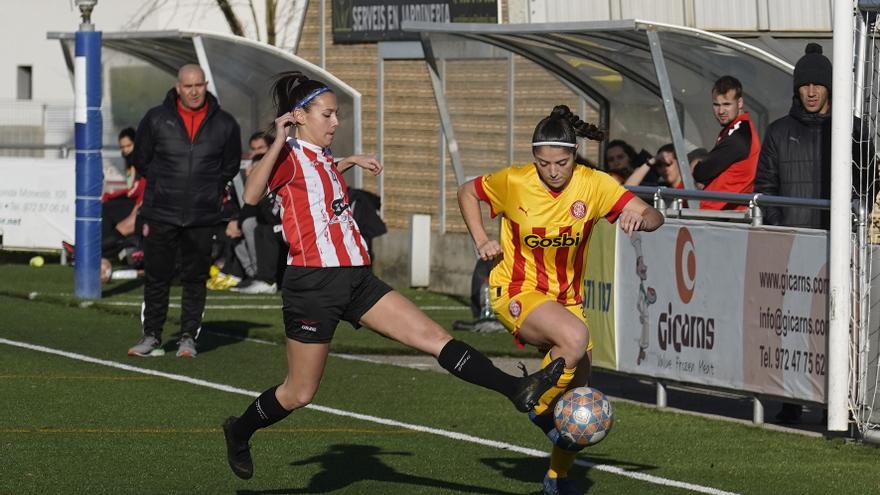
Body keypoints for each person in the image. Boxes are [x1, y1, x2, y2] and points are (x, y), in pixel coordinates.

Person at [220, 71, 566, 480]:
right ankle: (240, 430)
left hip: (357, 280)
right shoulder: (288, 155)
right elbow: (252, 194)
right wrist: (278, 137)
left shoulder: (322, 157)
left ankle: (516, 389)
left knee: (436, 339)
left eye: (336, 115)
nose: (335, 122)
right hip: (312, 286)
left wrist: (349, 162)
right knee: (299, 393)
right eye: (327, 115)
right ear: (299, 116)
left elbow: (318, 183)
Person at [457, 105, 664, 495]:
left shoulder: (594, 184)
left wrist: (643, 219)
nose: (552, 171)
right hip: (514, 290)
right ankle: (535, 404)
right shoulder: (514, 181)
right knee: (574, 338)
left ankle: (557, 479)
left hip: (566, 300)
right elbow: (467, 191)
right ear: (533, 158)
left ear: (574, 155)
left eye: (562, 162)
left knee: (579, 398)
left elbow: (654, 215)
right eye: (543, 163)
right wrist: (481, 238)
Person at [754, 43, 875, 424]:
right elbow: (765, 188)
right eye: (804, 84)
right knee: (792, 329)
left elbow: (870, 181)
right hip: (793, 248)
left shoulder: (852, 129)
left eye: (817, 85)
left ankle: (839, 406)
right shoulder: (778, 131)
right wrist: (778, 230)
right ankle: (790, 401)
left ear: (829, 88)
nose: (810, 92)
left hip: (841, 251)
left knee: (840, 330)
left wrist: (854, 224)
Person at [126, 64, 242, 358]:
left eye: (199, 85)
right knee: (157, 276)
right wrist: (165, 183)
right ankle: (151, 335)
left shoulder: (225, 124)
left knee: (194, 277)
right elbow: (141, 159)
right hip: (161, 211)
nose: (194, 91)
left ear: (206, 85)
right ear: (178, 87)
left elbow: (229, 165)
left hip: (202, 215)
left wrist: (209, 189)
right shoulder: (156, 118)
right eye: (188, 86)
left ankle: (188, 337)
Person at [692, 76, 760, 210]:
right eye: (716, 105)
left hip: (726, 215)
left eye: (726, 104)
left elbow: (702, 172)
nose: (721, 111)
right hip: (721, 211)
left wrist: (697, 166)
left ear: (740, 103)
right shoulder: (734, 129)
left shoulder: (739, 135)